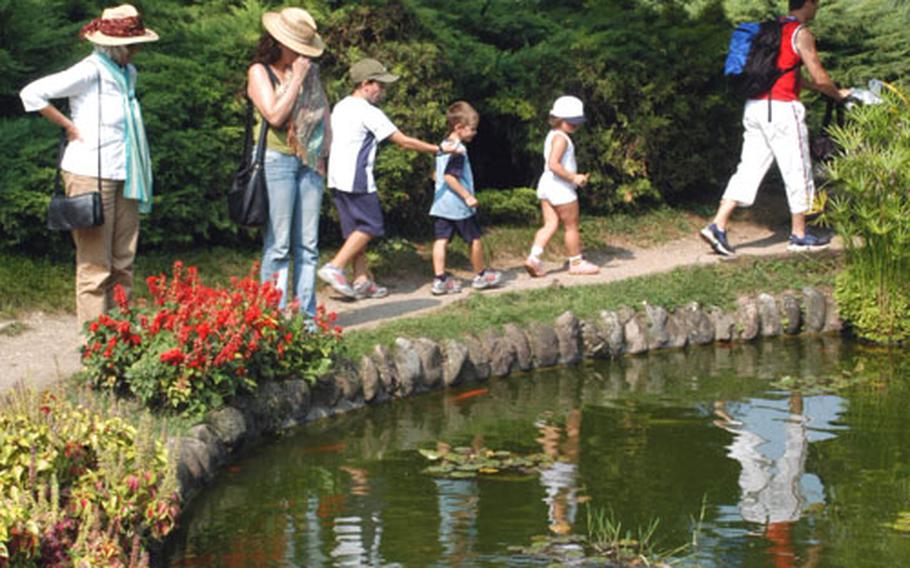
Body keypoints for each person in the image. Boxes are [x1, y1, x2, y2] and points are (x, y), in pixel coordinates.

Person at [19, 4, 158, 329]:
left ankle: (122, 338)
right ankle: (96, 349)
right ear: (118, 44)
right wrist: (68, 126)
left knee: (123, 261)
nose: (138, 50)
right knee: (96, 267)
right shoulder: (89, 70)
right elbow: (33, 93)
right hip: (90, 174)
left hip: (126, 172)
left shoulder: (128, 74)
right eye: (135, 43)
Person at [700, 0, 852, 256]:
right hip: (782, 111)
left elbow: (789, 74)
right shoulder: (800, 33)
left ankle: (718, 224)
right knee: (798, 169)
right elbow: (819, 75)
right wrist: (839, 95)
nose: (817, 8)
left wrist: (815, 89)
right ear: (809, 4)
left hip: (755, 107)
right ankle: (799, 235)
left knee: (748, 168)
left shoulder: (770, 30)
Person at [318, 58, 457, 300]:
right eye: (379, 85)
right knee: (371, 226)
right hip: (357, 178)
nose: (383, 91)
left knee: (355, 232)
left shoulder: (341, 106)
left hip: (336, 177)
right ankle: (335, 267)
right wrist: (439, 149)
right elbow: (404, 141)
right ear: (365, 84)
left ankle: (362, 280)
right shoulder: (369, 112)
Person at [247, 7, 330, 318]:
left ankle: (307, 318)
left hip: (310, 162)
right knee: (280, 244)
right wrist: (296, 79)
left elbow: (324, 114)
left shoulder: (312, 74)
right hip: (276, 160)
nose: (303, 55)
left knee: (308, 246)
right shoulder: (259, 72)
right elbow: (275, 116)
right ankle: (273, 317)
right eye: (298, 47)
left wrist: (323, 154)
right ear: (280, 42)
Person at [429, 101, 502, 295]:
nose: (474, 133)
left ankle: (440, 279)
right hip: (458, 205)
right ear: (459, 128)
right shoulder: (458, 150)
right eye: (472, 129)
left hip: (440, 203)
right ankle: (481, 275)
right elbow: (450, 177)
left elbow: (436, 174)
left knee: (441, 240)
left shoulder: (442, 146)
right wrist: (467, 196)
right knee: (475, 239)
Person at [524, 96, 600, 278]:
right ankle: (576, 262)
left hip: (547, 186)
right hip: (561, 188)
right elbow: (553, 164)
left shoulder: (552, 135)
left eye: (577, 123)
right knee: (571, 226)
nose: (575, 126)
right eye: (571, 123)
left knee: (550, 224)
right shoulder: (562, 139)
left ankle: (534, 258)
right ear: (558, 119)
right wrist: (574, 177)